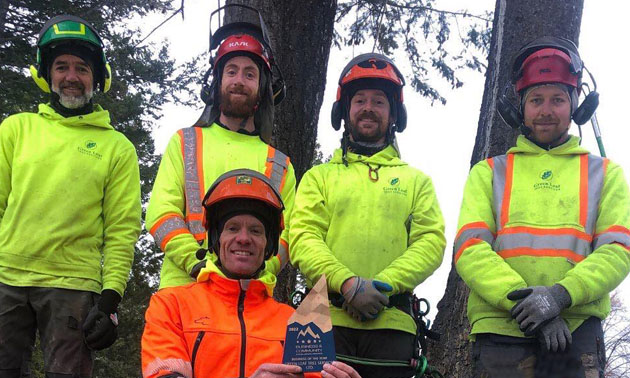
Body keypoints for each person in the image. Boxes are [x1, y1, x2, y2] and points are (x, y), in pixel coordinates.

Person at [455, 36, 630, 377]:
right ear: (519, 107)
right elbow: (470, 249)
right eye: (536, 99)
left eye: (558, 99)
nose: (546, 110)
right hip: (500, 334)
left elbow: (618, 251)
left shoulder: (605, 173)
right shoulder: (489, 173)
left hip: (576, 331)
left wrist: (559, 297)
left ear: (577, 105)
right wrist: (529, 305)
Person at [0, 15, 141, 377]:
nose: (71, 76)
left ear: (98, 77)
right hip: (7, 280)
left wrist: (110, 300)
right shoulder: (16, 130)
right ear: (46, 75)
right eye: (61, 66)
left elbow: (122, 229)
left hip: (74, 286)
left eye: (81, 67)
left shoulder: (117, 148)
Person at [289, 53, 446, 378]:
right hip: (318, 320)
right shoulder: (319, 177)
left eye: (379, 101)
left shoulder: (416, 181)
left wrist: (382, 286)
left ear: (394, 115)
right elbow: (303, 238)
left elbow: (430, 243)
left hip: (393, 322)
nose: (368, 108)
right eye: (360, 100)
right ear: (344, 111)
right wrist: (346, 283)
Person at [141, 169, 360, 378]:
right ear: (216, 240)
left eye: (256, 230)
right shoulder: (171, 305)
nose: (244, 238)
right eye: (233, 228)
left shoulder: (294, 322)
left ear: (269, 245)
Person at [146, 11, 296, 289]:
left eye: (250, 73)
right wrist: (198, 262)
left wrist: (260, 271)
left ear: (263, 88)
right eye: (231, 71)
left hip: (249, 299)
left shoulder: (280, 164)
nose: (239, 80)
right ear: (216, 82)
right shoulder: (185, 142)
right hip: (183, 291)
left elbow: (288, 237)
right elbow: (161, 214)